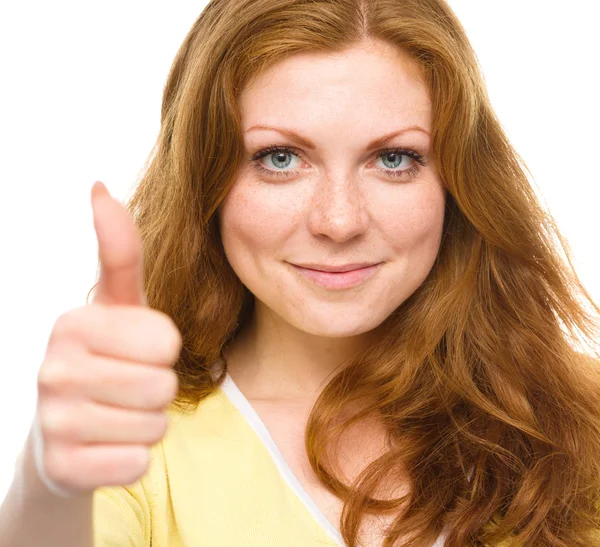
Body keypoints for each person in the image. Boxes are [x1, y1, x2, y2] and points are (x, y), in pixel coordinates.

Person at [1, 0, 600, 546]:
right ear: (206, 181)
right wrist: (47, 485)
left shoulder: (575, 421)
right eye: (279, 159)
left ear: (456, 184)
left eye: (394, 159)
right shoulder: (132, 447)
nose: (338, 221)